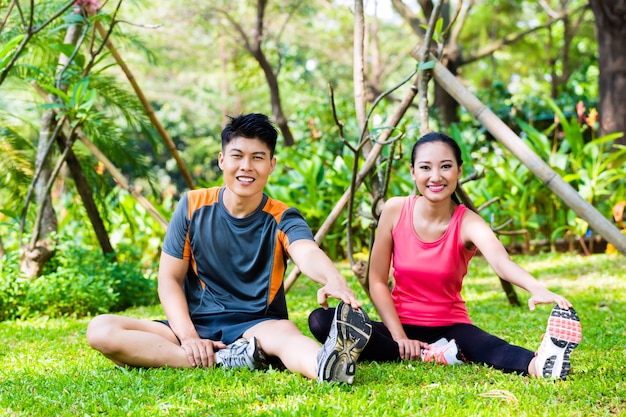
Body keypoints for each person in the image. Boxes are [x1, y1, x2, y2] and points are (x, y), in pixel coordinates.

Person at [87, 113, 372, 384]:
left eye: (257, 158)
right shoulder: (191, 206)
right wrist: (189, 337)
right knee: (101, 330)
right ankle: (224, 359)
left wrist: (332, 278)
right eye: (237, 156)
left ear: (271, 165)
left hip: (257, 326)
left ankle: (325, 367)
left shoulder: (283, 217)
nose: (246, 166)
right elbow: (169, 279)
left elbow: (306, 251)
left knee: (288, 338)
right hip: (193, 324)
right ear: (222, 160)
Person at [309, 131, 582, 379]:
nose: (436, 176)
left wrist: (536, 287)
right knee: (321, 320)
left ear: (459, 171)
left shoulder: (468, 222)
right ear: (413, 172)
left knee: (485, 346)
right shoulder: (394, 210)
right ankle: (430, 354)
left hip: (451, 328)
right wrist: (400, 336)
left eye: (446, 166)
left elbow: (501, 262)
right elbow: (377, 280)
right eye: (425, 167)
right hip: (398, 326)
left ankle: (541, 364)